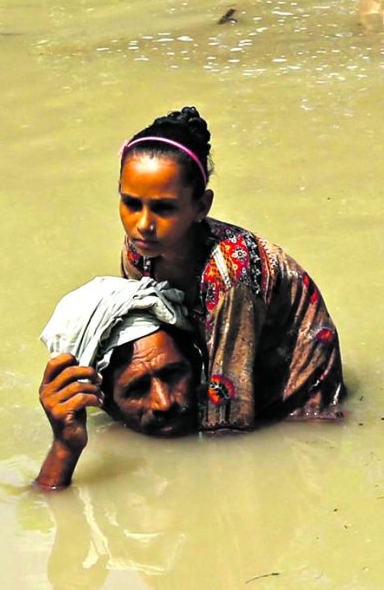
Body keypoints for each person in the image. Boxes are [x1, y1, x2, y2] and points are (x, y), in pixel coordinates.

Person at [116, 106, 346, 431]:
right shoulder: (140, 250)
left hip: (295, 394)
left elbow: (227, 417)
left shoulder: (231, 272)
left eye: (163, 208)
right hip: (227, 359)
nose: (143, 224)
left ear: (201, 206)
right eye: (131, 203)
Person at [35, 276, 198, 489]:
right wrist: (65, 448)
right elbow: (43, 508)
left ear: (194, 363)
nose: (164, 403)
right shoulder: (106, 441)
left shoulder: (234, 408)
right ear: (104, 401)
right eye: (137, 389)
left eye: (173, 374)